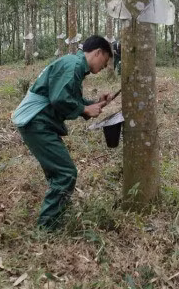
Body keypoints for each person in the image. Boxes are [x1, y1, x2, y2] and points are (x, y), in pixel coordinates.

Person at [13, 35, 114, 230]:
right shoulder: (73, 65)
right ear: (98, 52)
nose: (105, 66)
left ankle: (54, 216)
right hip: (36, 122)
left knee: (59, 173)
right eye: (106, 60)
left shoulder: (74, 64)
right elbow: (60, 99)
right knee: (65, 173)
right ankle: (47, 227)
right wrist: (85, 110)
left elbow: (69, 98)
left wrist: (94, 103)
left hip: (39, 122)